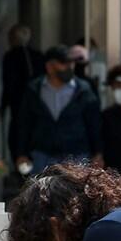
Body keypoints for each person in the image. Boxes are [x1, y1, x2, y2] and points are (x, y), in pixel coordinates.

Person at [15, 44, 102, 175]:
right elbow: (24, 123)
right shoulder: (34, 90)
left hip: (76, 157)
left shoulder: (84, 90)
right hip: (41, 156)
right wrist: (21, 153)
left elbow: (94, 124)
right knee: (41, 194)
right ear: (49, 67)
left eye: (71, 63)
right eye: (64, 64)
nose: (70, 67)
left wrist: (98, 153)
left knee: (75, 195)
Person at [1, 24, 44, 160]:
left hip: (18, 102)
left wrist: (3, 105)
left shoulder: (10, 57)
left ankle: (20, 161)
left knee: (18, 133)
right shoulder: (38, 55)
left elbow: (8, 83)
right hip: (35, 102)